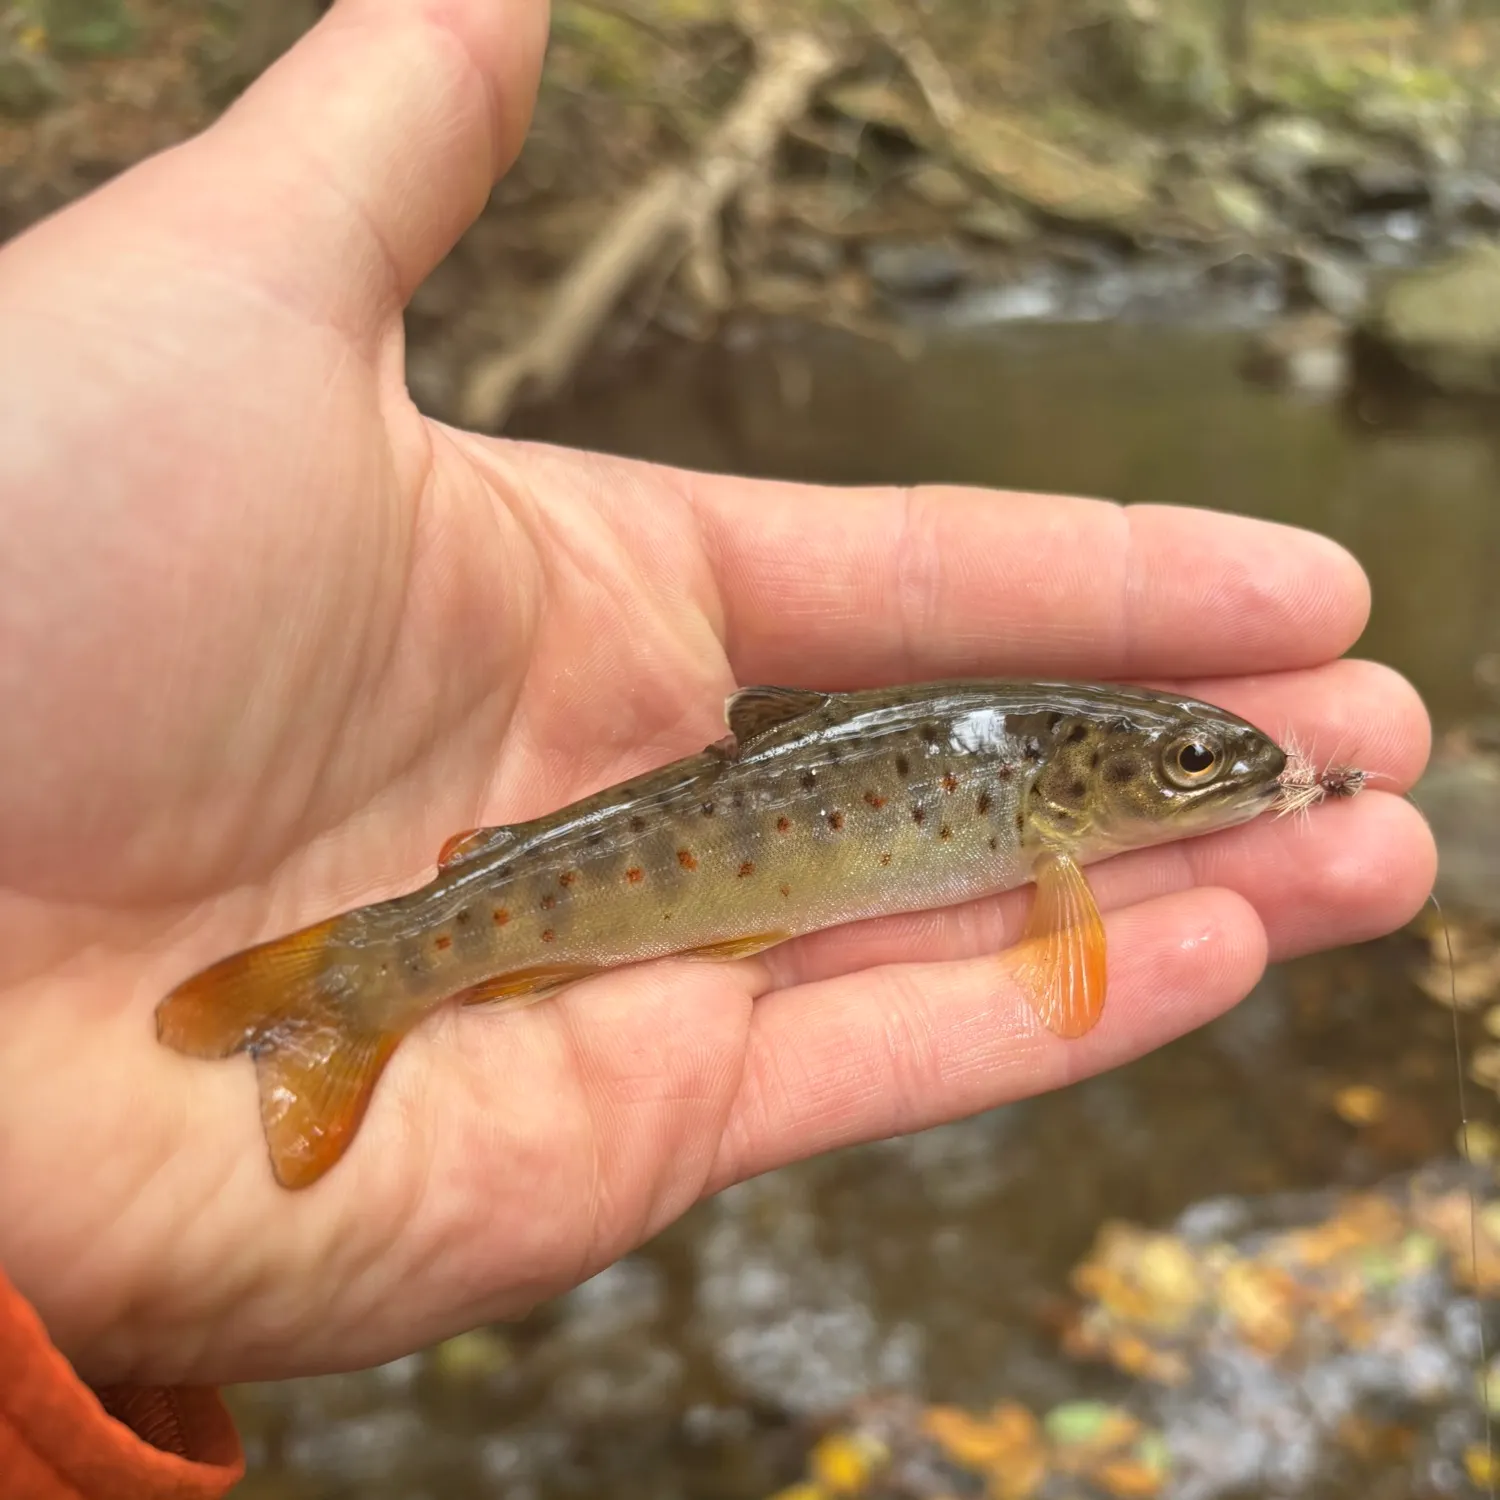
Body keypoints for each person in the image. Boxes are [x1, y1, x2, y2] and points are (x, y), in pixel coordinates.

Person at [0, 2, 1435, 1495]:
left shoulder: (1058, 789)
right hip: (573, 883)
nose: (1221, 779)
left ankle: (375, 977)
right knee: (477, 939)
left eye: (1200, 770)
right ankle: (366, 980)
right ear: (1069, 797)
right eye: (1191, 771)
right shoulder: (1050, 818)